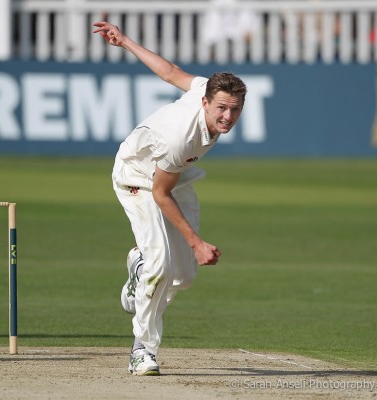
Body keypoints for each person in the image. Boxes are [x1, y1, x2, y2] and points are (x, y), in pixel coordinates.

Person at [93, 21, 247, 376]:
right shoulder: (181, 136)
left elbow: (170, 71)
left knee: (183, 277)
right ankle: (142, 349)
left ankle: (139, 267)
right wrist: (196, 242)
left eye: (235, 109)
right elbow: (160, 193)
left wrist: (126, 41)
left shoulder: (202, 91)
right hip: (137, 177)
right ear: (206, 101)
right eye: (222, 108)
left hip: (174, 175)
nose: (228, 116)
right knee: (161, 265)